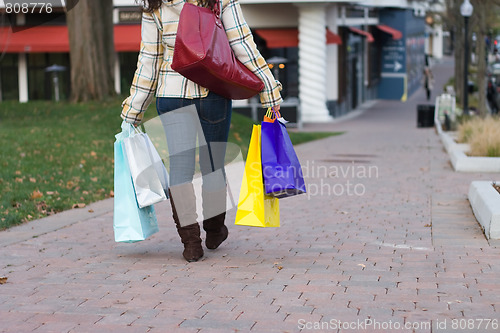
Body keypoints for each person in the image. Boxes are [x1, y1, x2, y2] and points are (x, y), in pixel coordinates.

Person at [121, 0, 282, 262]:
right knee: (213, 165)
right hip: (213, 91)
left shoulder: (154, 4)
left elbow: (149, 60)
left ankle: (191, 243)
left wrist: (134, 110)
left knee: (180, 170)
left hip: (171, 93)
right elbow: (242, 44)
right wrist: (269, 91)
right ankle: (215, 231)